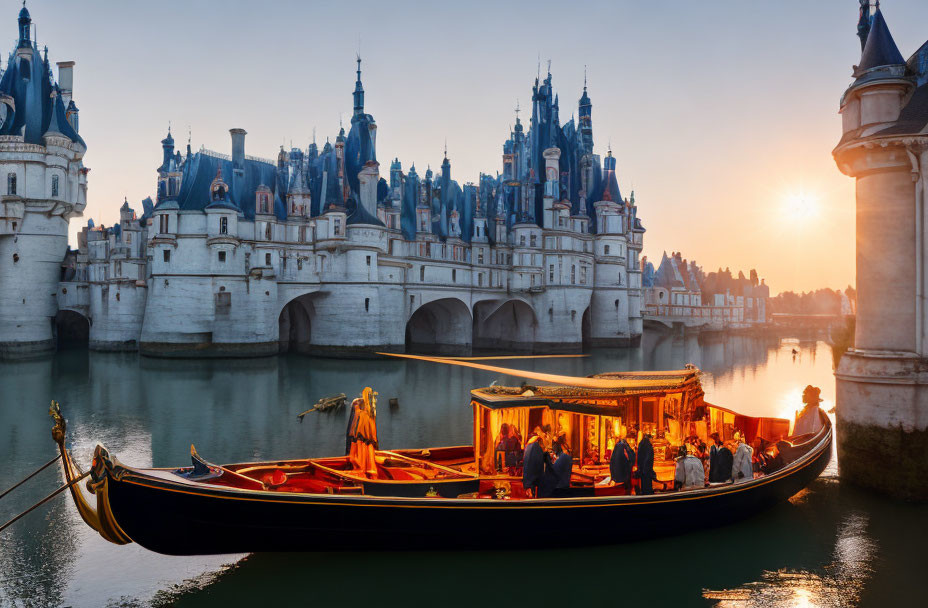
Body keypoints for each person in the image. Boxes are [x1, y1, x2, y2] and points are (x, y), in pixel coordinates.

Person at [347, 387, 379, 478]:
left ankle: (363, 473)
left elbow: (358, 418)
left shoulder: (364, 413)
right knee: (366, 458)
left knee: (361, 459)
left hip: (363, 442)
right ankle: (367, 474)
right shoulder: (371, 413)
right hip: (367, 442)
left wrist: (356, 405)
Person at [522, 426, 548, 497]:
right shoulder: (535, 446)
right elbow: (534, 465)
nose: (545, 437)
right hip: (534, 484)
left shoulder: (530, 445)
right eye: (544, 434)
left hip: (531, 483)